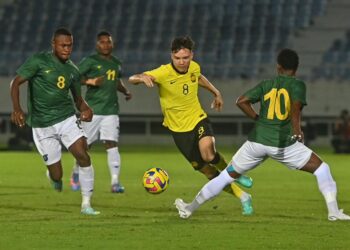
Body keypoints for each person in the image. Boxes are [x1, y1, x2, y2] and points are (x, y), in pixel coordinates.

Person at [174, 48, 350, 221]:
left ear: (278, 67)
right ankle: (333, 212)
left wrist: (258, 119)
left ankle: (189, 209)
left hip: (256, 143)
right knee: (322, 168)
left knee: (226, 176)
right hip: (282, 143)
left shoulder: (267, 84)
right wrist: (297, 130)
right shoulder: (297, 85)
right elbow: (296, 108)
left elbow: (241, 101)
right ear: (296, 68)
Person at [129, 36, 254, 215]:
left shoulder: (194, 67)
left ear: (191, 55)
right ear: (172, 56)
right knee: (209, 172)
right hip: (178, 131)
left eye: (185, 58)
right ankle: (243, 197)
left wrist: (216, 92)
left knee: (209, 154)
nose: (182, 62)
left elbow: (198, 77)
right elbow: (133, 78)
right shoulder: (163, 72)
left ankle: (237, 174)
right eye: (178, 58)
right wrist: (141, 78)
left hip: (197, 119)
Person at [10, 27, 100, 215]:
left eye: (70, 45)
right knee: (57, 174)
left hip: (66, 118)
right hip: (42, 125)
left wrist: (86, 108)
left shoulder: (73, 71)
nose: (67, 49)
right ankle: (54, 177)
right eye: (63, 45)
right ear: (54, 45)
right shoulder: (39, 61)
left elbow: (78, 99)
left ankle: (86, 204)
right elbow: (16, 82)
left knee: (82, 154)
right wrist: (17, 108)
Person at [69, 31, 132, 193]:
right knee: (84, 146)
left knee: (111, 144)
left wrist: (125, 91)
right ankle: (75, 174)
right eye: (102, 42)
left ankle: (115, 182)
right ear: (97, 45)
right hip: (92, 111)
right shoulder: (90, 61)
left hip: (111, 110)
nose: (106, 45)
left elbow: (115, 80)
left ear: (112, 44)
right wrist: (90, 81)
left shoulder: (116, 63)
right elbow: (74, 77)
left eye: (108, 42)